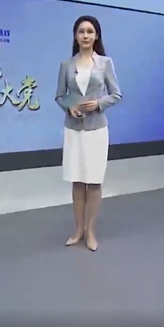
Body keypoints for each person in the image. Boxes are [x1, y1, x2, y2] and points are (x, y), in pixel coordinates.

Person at [54, 15, 122, 252]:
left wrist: (99, 104)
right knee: (77, 180)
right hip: (73, 130)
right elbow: (59, 96)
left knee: (93, 181)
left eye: (90, 32)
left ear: (96, 36)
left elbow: (116, 94)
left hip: (97, 130)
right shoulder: (66, 65)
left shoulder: (105, 63)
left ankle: (91, 231)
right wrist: (69, 107)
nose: (85, 35)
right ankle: (78, 230)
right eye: (81, 31)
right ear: (75, 36)